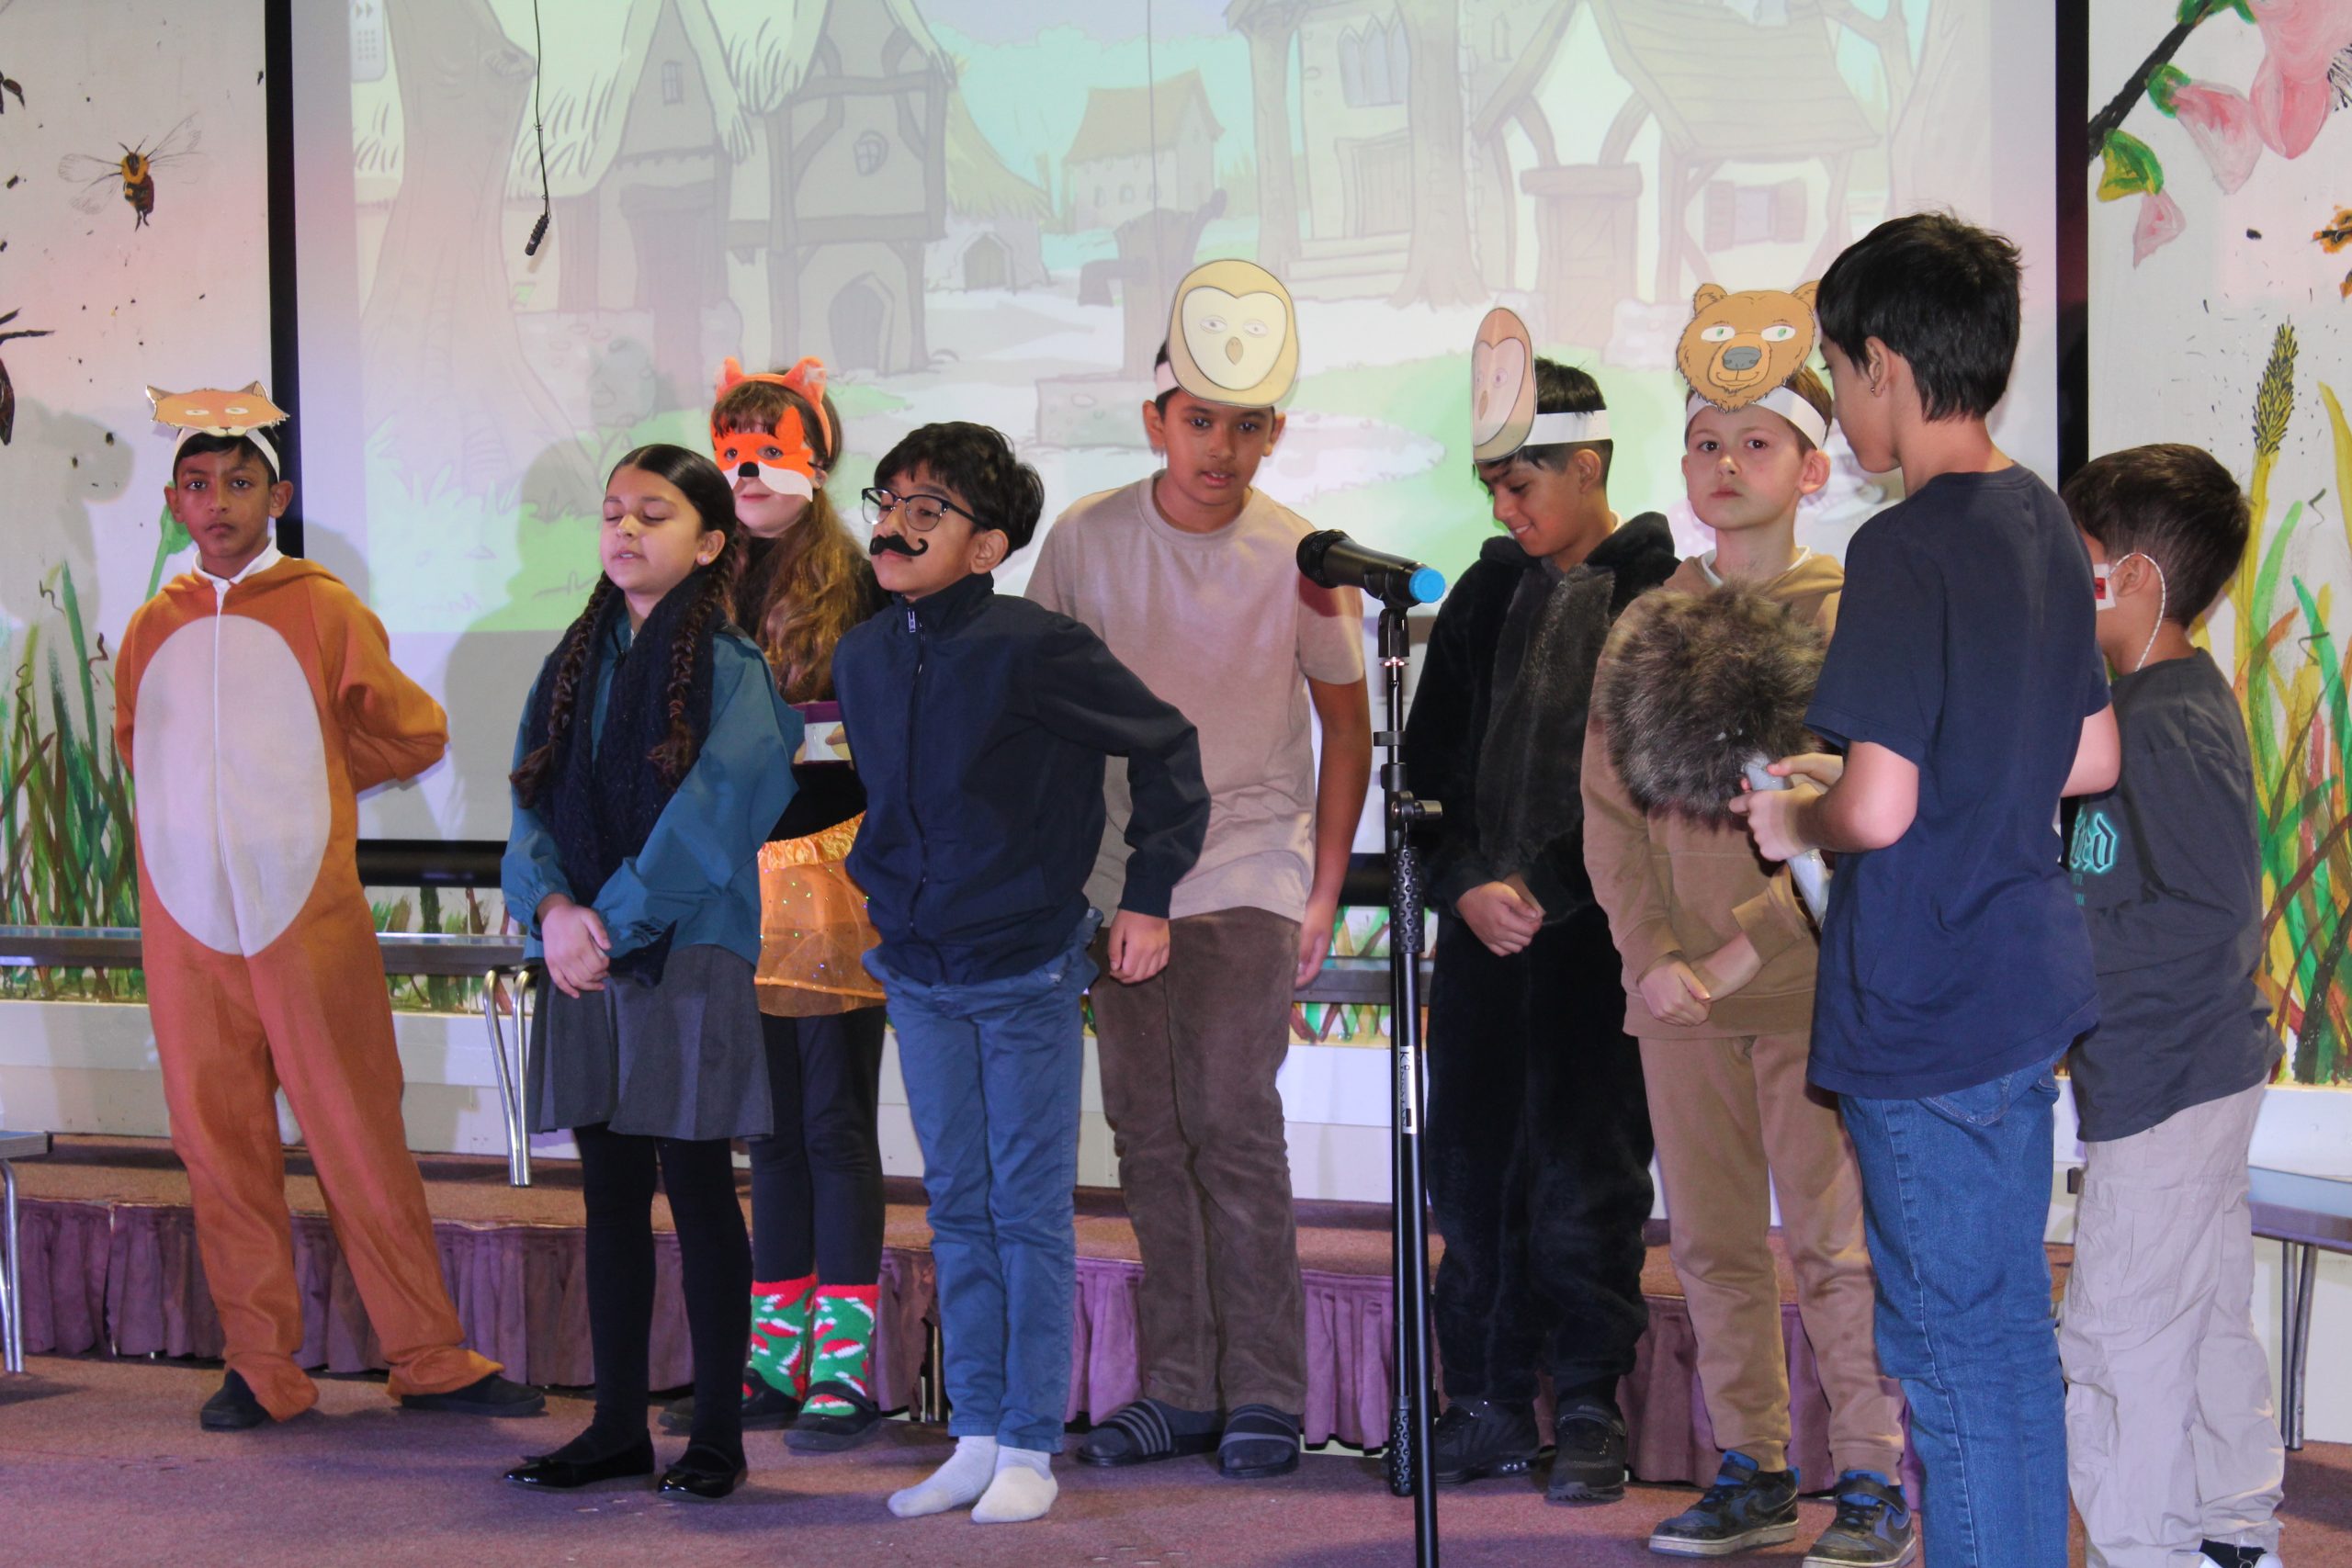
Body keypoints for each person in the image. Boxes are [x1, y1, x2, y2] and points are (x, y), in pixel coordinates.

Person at [1731, 214, 2121, 1568]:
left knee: (1950, 1364)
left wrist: (1794, 810)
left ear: (1882, 363)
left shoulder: (1903, 546)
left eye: (1836, 371)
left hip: (1928, 996)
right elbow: (2091, 754)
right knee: (2002, 1342)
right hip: (2019, 989)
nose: (1839, 402)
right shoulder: (2042, 516)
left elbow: (1878, 809)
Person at [115, 387, 542, 1432]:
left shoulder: (322, 606)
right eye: (198, 484)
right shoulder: (151, 625)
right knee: (217, 1146)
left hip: (305, 921)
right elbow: (138, 744)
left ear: (279, 497)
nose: (218, 502)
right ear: (174, 502)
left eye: (240, 483)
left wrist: (308, 784)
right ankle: (259, 1363)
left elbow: (414, 731)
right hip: (188, 930)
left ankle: (428, 1355)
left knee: (356, 1133)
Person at [833, 421, 1209, 1524]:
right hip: (918, 967)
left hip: (1024, 968)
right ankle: (977, 1433)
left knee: (1026, 1209)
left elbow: (1167, 745)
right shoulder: (864, 653)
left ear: (988, 545)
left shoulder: (1034, 646)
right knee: (955, 1205)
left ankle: (1031, 1444)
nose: (894, 526)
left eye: (927, 511)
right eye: (886, 502)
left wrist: (1147, 893)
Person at [1584, 362, 1916, 1565]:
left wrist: (1735, 954)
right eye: (1706, 443)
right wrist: (1652, 958)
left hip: (1810, 990)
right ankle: (1753, 1467)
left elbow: (1857, 815)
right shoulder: (1646, 622)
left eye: (1757, 443)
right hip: (1677, 1000)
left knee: (1832, 1244)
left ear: (1814, 468)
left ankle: (1870, 1475)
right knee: (1713, 1245)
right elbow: (1608, 815)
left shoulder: (1850, 614)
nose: (1726, 465)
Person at [1031, 339, 1372, 1480]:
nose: (1220, 447)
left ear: (1274, 431)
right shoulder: (1084, 538)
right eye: (1198, 420)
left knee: (1231, 1121)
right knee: (1147, 1132)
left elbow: (1347, 727)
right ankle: (1179, 1387)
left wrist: (1322, 888)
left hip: (1248, 868)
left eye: (1246, 424)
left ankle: (1265, 1391)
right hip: (1117, 877)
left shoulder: (1302, 555)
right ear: (1155, 420)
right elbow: (1034, 703)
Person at [500, 444, 802, 1501]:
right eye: (613, 512)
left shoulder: (734, 670)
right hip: (582, 952)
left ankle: (716, 1435)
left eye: (655, 514)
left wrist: (609, 925)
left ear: (711, 542)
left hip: (685, 951)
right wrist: (552, 911)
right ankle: (617, 1429)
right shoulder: (571, 662)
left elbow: (715, 821)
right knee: (611, 1192)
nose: (626, 530)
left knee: (699, 1187)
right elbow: (528, 802)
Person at [1404, 359, 1679, 1504]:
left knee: (1586, 1175)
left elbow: (1654, 781)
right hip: (1481, 941)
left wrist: (1552, 887)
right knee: (1470, 1173)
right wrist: (1466, 881)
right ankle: (1484, 1398)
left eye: (1522, 485)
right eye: (1492, 490)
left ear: (1588, 466)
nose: (1506, 509)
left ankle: (1587, 1404)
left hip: (1595, 945)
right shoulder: (1480, 595)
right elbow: (1427, 768)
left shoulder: (1658, 591)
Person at [655, 356, 893, 1452]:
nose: (748, 471)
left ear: (819, 458)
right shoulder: (699, 587)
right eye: (731, 451)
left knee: (833, 1124)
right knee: (770, 1133)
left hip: (833, 875)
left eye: (771, 449)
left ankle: (840, 1373)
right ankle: (771, 1363)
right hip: (730, 886)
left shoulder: (866, 584)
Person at [2058, 444, 2285, 1568]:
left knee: (2116, 1335)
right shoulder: (2148, 704)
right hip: (2180, 1074)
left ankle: (2143, 1548)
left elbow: (2209, 914)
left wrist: (2051, 949)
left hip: (2166, 1081)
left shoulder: (2163, 719)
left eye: (2076, 558)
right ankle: (2227, 1535)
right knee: (2199, 1319)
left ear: (2135, 577)